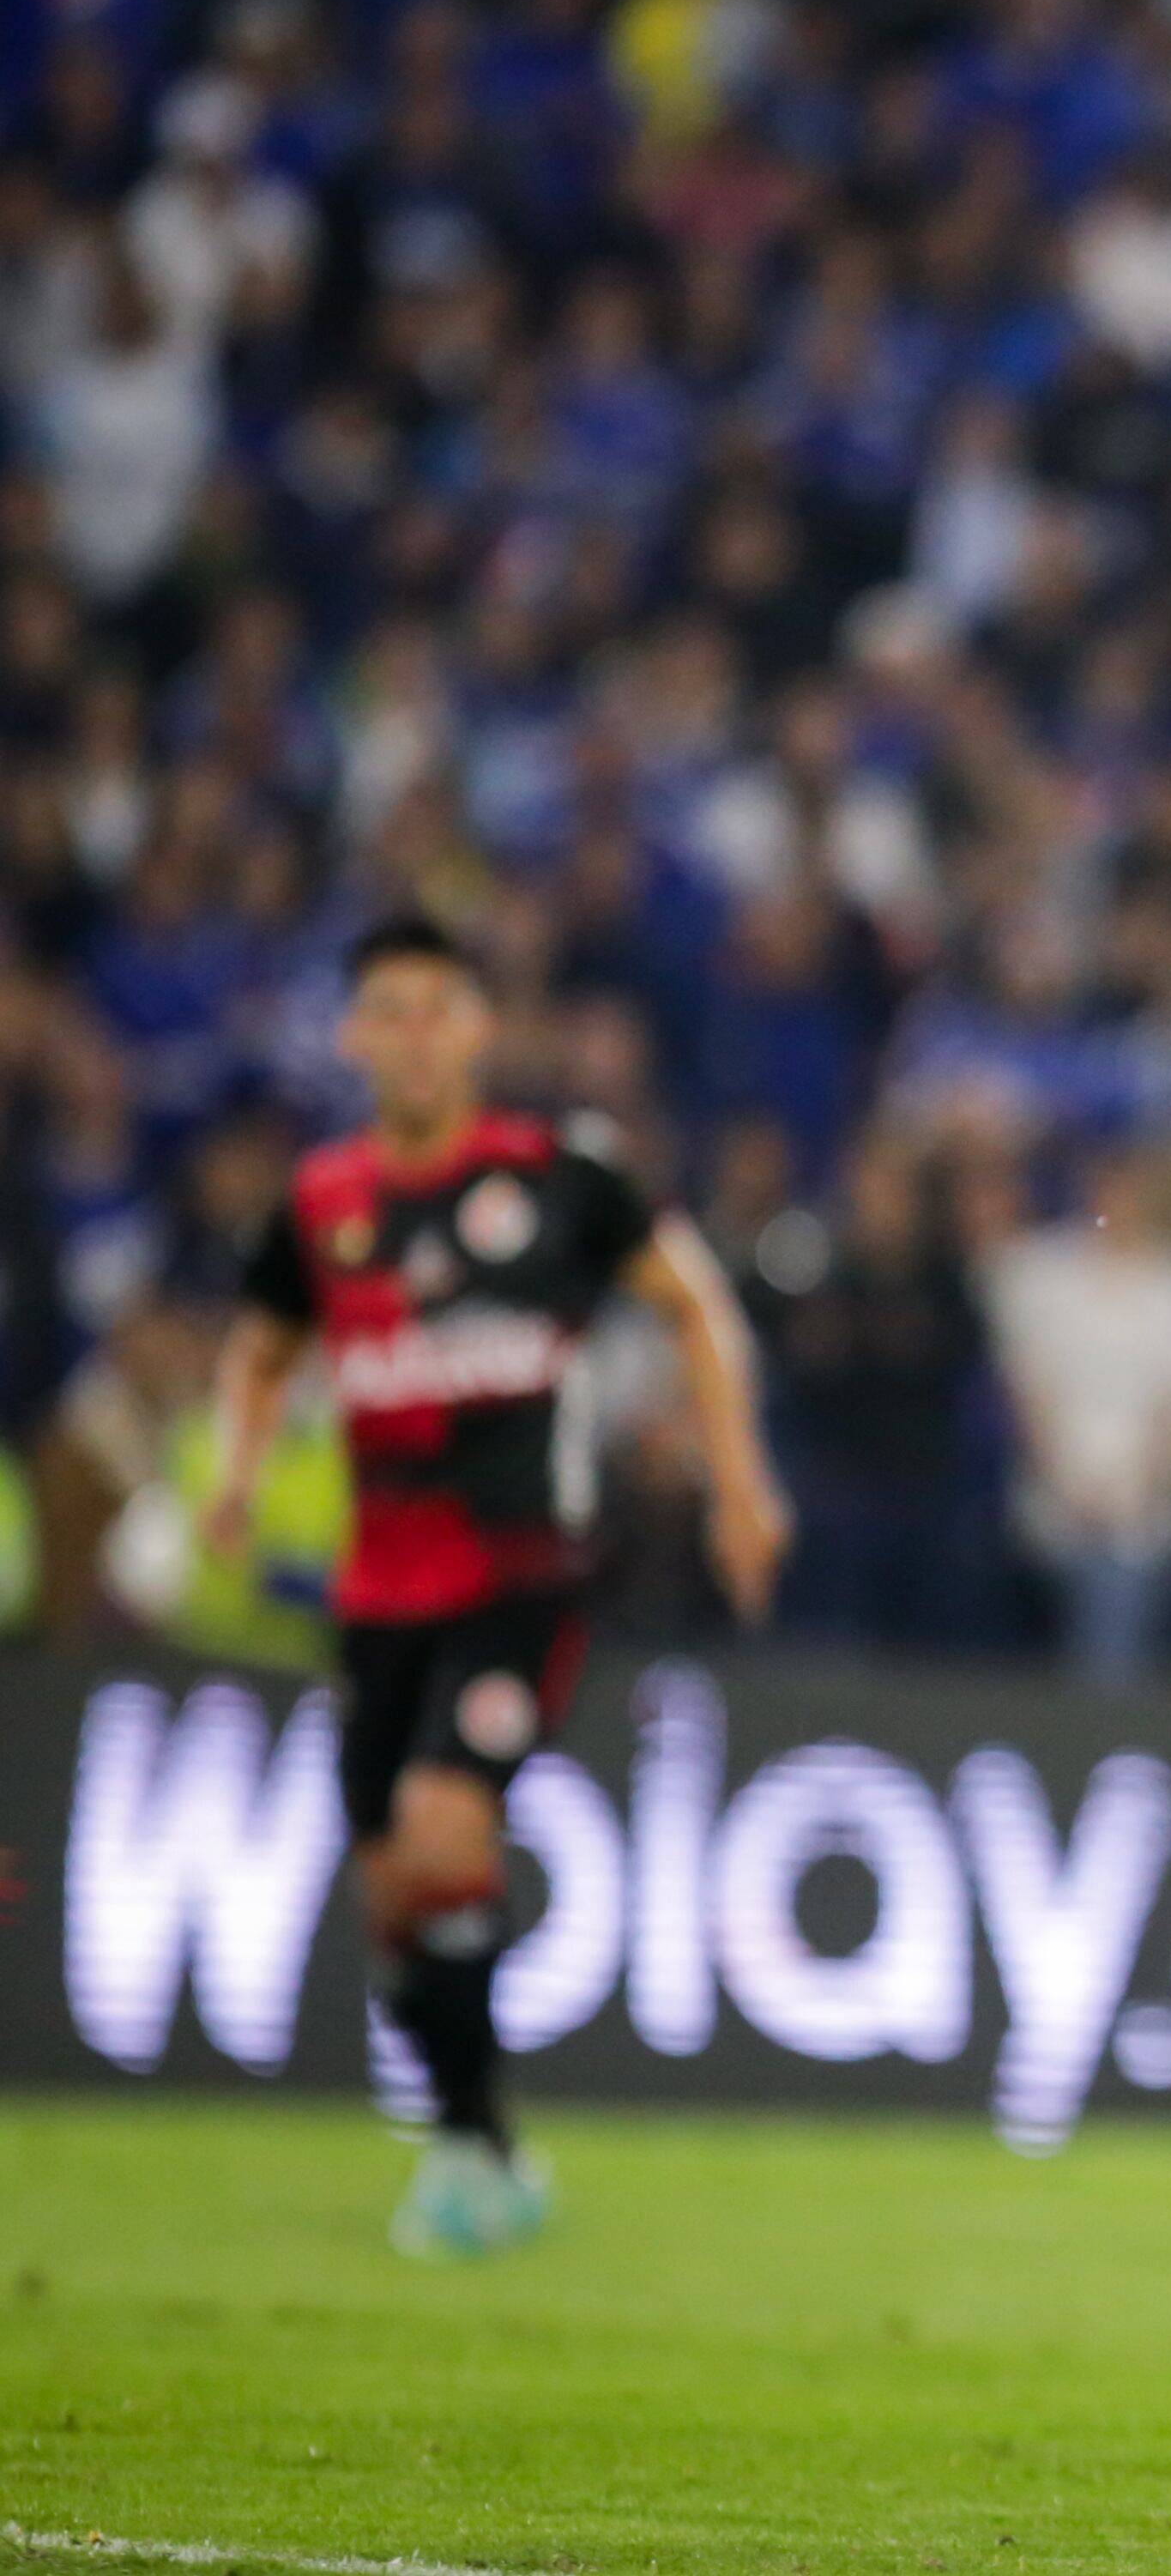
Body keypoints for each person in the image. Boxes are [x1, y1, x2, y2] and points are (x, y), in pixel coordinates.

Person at [205, 915, 791, 2258]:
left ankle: (467, 2154)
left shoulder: (560, 1175)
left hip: (522, 1576)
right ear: (353, 1038)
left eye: (437, 1009)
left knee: (438, 1829)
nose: (413, 1036)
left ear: (479, 1027)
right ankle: (486, 2141)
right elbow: (256, 1347)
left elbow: (694, 1302)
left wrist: (741, 1483)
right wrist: (237, 1469)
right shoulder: (322, 1205)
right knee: (395, 1895)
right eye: (388, 1013)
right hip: (381, 1594)